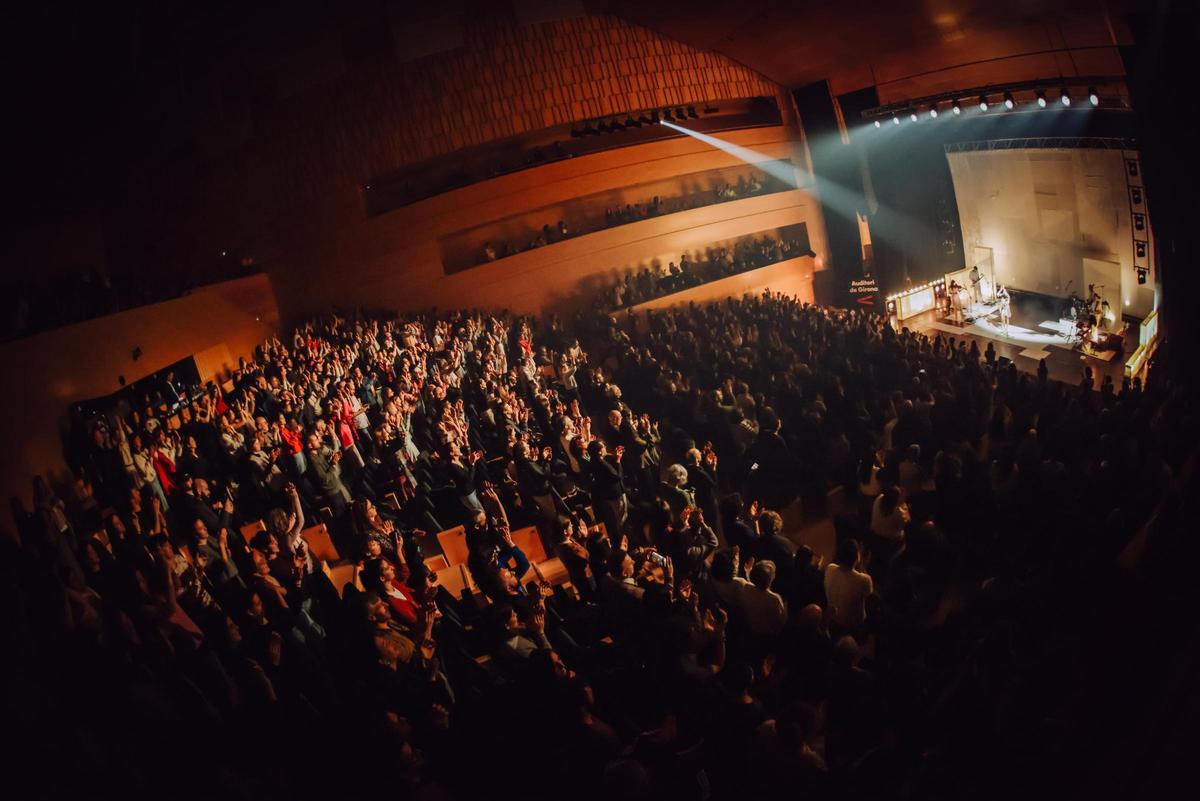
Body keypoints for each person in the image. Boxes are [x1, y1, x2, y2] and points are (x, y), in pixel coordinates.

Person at [824, 538, 873, 638]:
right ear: (857, 557)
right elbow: (869, 593)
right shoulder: (864, 580)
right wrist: (863, 566)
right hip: (851, 624)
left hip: (831, 618)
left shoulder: (830, 568)